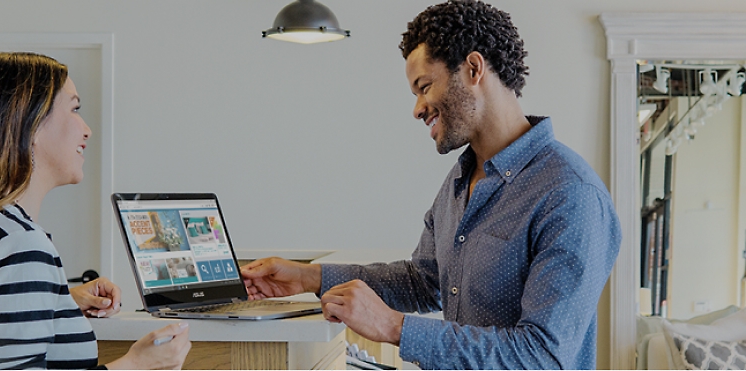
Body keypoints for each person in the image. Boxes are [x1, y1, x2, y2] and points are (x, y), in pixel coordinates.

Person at [240, 1, 621, 369]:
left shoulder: (570, 195)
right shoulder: (462, 178)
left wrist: (394, 327)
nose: (417, 108)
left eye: (424, 86)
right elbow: (423, 282)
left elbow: (541, 356)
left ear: (473, 68)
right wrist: (310, 277)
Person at [0, 52, 191, 370]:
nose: (87, 130)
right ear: (29, 124)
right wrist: (136, 364)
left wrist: (53, 300)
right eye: (74, 109)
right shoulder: (15, 244)